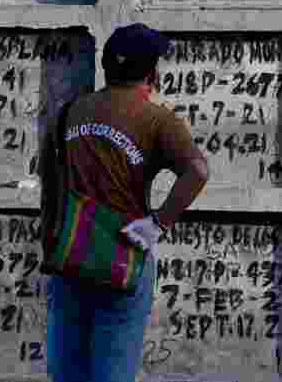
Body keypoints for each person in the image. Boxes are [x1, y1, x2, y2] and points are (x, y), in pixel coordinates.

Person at [40, 23, 209, 382]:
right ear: (152, 72)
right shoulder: (158, 119)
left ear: (106, 66)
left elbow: (50, 186)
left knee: (68, 371)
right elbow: (197, 171)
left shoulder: (70, 112)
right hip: (124, 256)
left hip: (70, 256)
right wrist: (158, 223)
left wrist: (52, 247)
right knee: (112, 371)